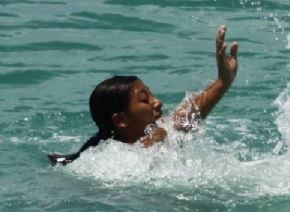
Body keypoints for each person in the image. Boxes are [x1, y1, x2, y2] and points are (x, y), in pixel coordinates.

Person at [48, 26, 239, 164]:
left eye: (151, 95)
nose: (158, 102)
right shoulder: (115, 160)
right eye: (144, 99)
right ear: (121, 120)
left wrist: (223, 82)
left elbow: (185, 117)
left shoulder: (155, 134)